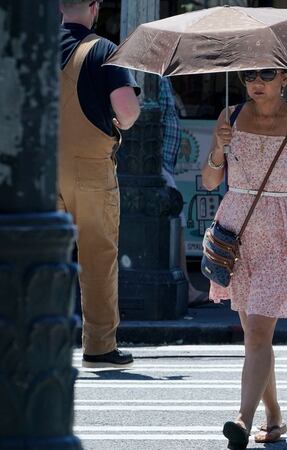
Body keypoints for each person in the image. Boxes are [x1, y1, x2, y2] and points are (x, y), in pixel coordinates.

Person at [201, 68, 287, 449]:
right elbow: (210, 182)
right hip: (237, 230)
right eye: (249, 75)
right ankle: (275, 417)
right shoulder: (228, 117)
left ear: (284, 77)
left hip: (281, 232)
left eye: (265, 74)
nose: (255, 82)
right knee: (255, 337)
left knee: (260, 333)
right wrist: (218, 148)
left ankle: (242, 420)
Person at [59, 0, 141, 368]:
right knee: (97, 258)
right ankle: (99, 346)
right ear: (94, 7)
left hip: (37, 168)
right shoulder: (105, 50)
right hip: (89, 169)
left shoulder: (29, 47)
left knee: (34, 256)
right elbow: (127, 112)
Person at [158, 77, 209, 306]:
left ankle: (183, 285)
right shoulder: (148, 75)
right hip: (153, 160)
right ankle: (184, 287)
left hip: (160, 160)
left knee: (173, 219)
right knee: (175, 219)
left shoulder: (157, 76)